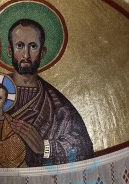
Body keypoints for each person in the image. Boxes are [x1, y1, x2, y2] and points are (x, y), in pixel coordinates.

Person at [7, 19, 94, 166]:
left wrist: (45, 147)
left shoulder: (57, 104)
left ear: (43, 52)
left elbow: (83, 146)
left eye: (33, 46)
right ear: (10, 51)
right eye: (20, 46)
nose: (26, 55)